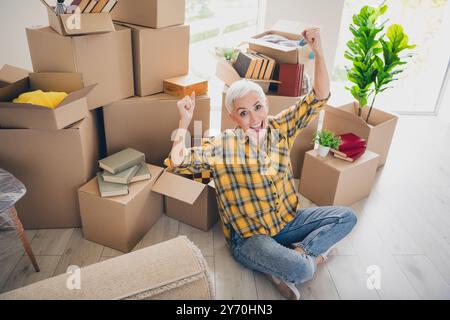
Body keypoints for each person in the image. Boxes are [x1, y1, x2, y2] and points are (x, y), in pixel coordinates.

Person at [165, 28, 357, 300]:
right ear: (234, 118)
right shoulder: (223, 146)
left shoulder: (281, 127)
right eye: (243, 113)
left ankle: (298, 254)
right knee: (304, 272)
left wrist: (320, 52)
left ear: (266, 105)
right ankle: (303, 259)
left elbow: (319, 97)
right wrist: (184, 122)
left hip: (288, 223)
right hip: (250, 239)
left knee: (347, 217)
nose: (254, 118)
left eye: (257, 107)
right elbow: (177, 162)